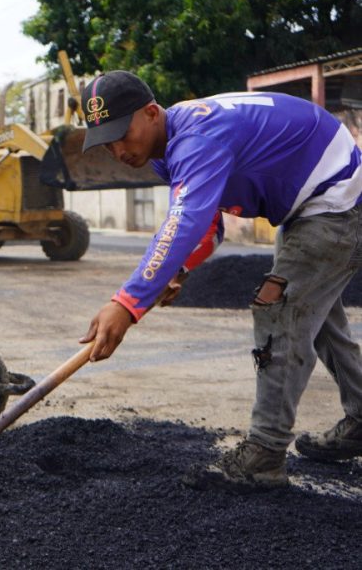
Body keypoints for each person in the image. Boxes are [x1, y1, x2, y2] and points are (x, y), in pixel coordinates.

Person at [78, 70, 362, 492]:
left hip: (336, 200)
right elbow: (209, 225)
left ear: (152, 113)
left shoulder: (197, 139)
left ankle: (264, 455)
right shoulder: (170, 145)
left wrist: (127, 303)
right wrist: (176, 269)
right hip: (309, 205)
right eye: (107, 141)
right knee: (316, 320)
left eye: (122, 134)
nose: (118, 149)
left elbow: (185, 220)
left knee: (279, 308)